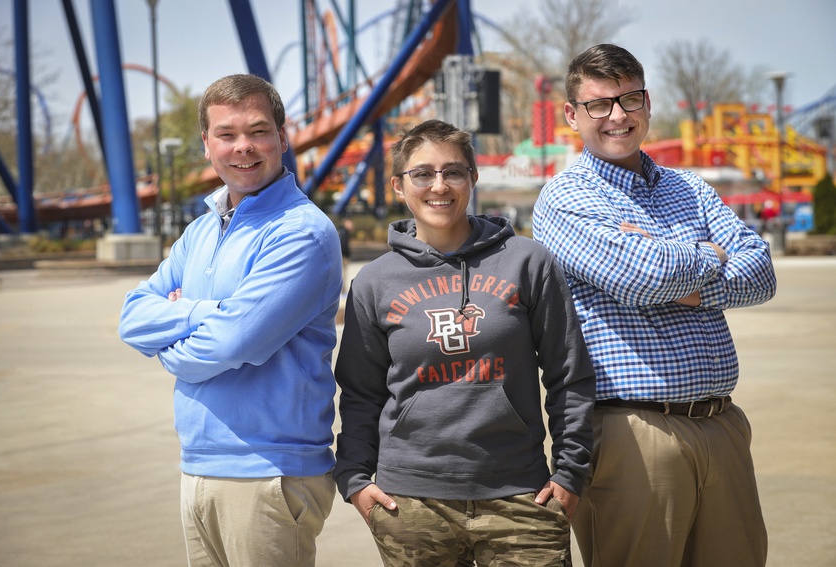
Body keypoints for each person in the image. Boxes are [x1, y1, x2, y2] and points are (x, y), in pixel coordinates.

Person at [532, 44, 777, 567]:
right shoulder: (566, 198)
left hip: (722, 423)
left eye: (630, 98)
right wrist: (707, 252)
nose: (618, 116)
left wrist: (673, 262)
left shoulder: (690, 187)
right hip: (634, 432)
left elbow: (760, 272)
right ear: (572, 116)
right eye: (599, 104)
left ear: (648, 102)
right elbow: (646, 278)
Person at [333, 119, 596, 566]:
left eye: (453, 172)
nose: (440, 185)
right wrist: (356, 479)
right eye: (423, 174)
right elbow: (360, 393)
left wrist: (571, 475)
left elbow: (569, 374)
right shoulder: (375, 282)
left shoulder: (527, 262)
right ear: (398, 186)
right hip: (411, 504)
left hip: (521, 496)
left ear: (473, 179)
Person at [118, 74, 342, 567]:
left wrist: (177, 331)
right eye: (226, 134)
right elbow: (132, 317)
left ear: (283, 138)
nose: (243, 147)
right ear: (206, 145)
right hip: (198, 465)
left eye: (258, 131)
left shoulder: (301, 233)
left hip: (269, 472)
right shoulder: (199, 230)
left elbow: (231, 344)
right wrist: (208, 312)